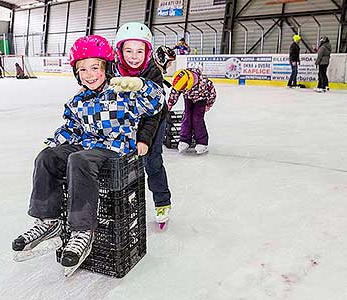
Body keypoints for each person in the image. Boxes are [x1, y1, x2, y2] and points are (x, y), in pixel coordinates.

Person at [11, 35, 164, 275]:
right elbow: (71, 129)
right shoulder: (78, 101)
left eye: (95, 68)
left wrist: (142, 86)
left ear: (107, 68)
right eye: (82, 69)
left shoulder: (122, 93)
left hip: (115, 149)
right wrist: (52, 144)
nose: (89, 74)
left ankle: (82, 230)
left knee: (78, 159)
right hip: (87, 147)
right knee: (47, 157)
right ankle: (48, 221)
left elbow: (156, 104)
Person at [114, 22, 173, 229]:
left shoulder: (153, 72)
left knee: (152, 160)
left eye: (140, 51)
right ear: (119, 50)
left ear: (147, 52)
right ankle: (122, 207)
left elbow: (153, 113)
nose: (134, 56)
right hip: (126, 119)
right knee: (122, 164)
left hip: (154, 119)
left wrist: (144, 139)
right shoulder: (113, 70)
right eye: (128, 50)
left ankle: (162, 202)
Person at [168, 68, 217, 155]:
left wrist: (208, 105)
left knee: (197, 119)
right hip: (188, 98)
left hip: (201, 100)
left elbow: (212, 94)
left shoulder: (205, 82)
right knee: (186, 117)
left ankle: (202, 143)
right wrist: (170, 104)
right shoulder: (181, 79)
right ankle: (184, 140)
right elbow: (175, 92)